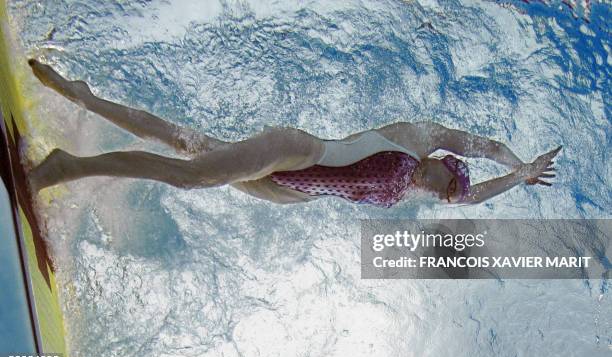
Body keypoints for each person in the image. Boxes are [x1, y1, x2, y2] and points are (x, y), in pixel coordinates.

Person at [27, 59, 560, 207]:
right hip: (298, 153)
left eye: (454, 195)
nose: (452, 192)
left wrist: (517, 182)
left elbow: (481, 192)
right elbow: (484, 147)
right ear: (448, 160)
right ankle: (65, 167)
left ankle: (86, 96)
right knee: (193, 177)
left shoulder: (418, 191)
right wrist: (519, 162)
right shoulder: (419, 137)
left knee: (183, 143)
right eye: (455, 181)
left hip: (286, 190)